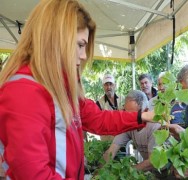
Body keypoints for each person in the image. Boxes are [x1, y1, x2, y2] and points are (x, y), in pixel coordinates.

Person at [0, 0, 154, 179]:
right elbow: (34, 174)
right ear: (55, 38)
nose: (84, 55)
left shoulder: (58, 86)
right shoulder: (23, 91)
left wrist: (141, 116)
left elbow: (97, 118)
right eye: (80, 45)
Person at [103, 90, 160, 172]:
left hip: (168, 173)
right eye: (127, 114)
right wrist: (100, 169)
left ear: (146, 110)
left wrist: (126, 171)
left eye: (134, 115)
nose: (130, 119)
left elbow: (152, 162)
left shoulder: (155, 126)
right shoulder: (129, 125)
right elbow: (112, 150)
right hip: (152, 173)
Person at [96, 74, 124, 141]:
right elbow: (98, 123)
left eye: (110, 84)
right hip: (107, 140)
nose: (108, 87)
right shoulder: (99, 103)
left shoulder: (123, 99)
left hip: (122, 138)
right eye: (106, 84)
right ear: (103, 86)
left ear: (114, 85)